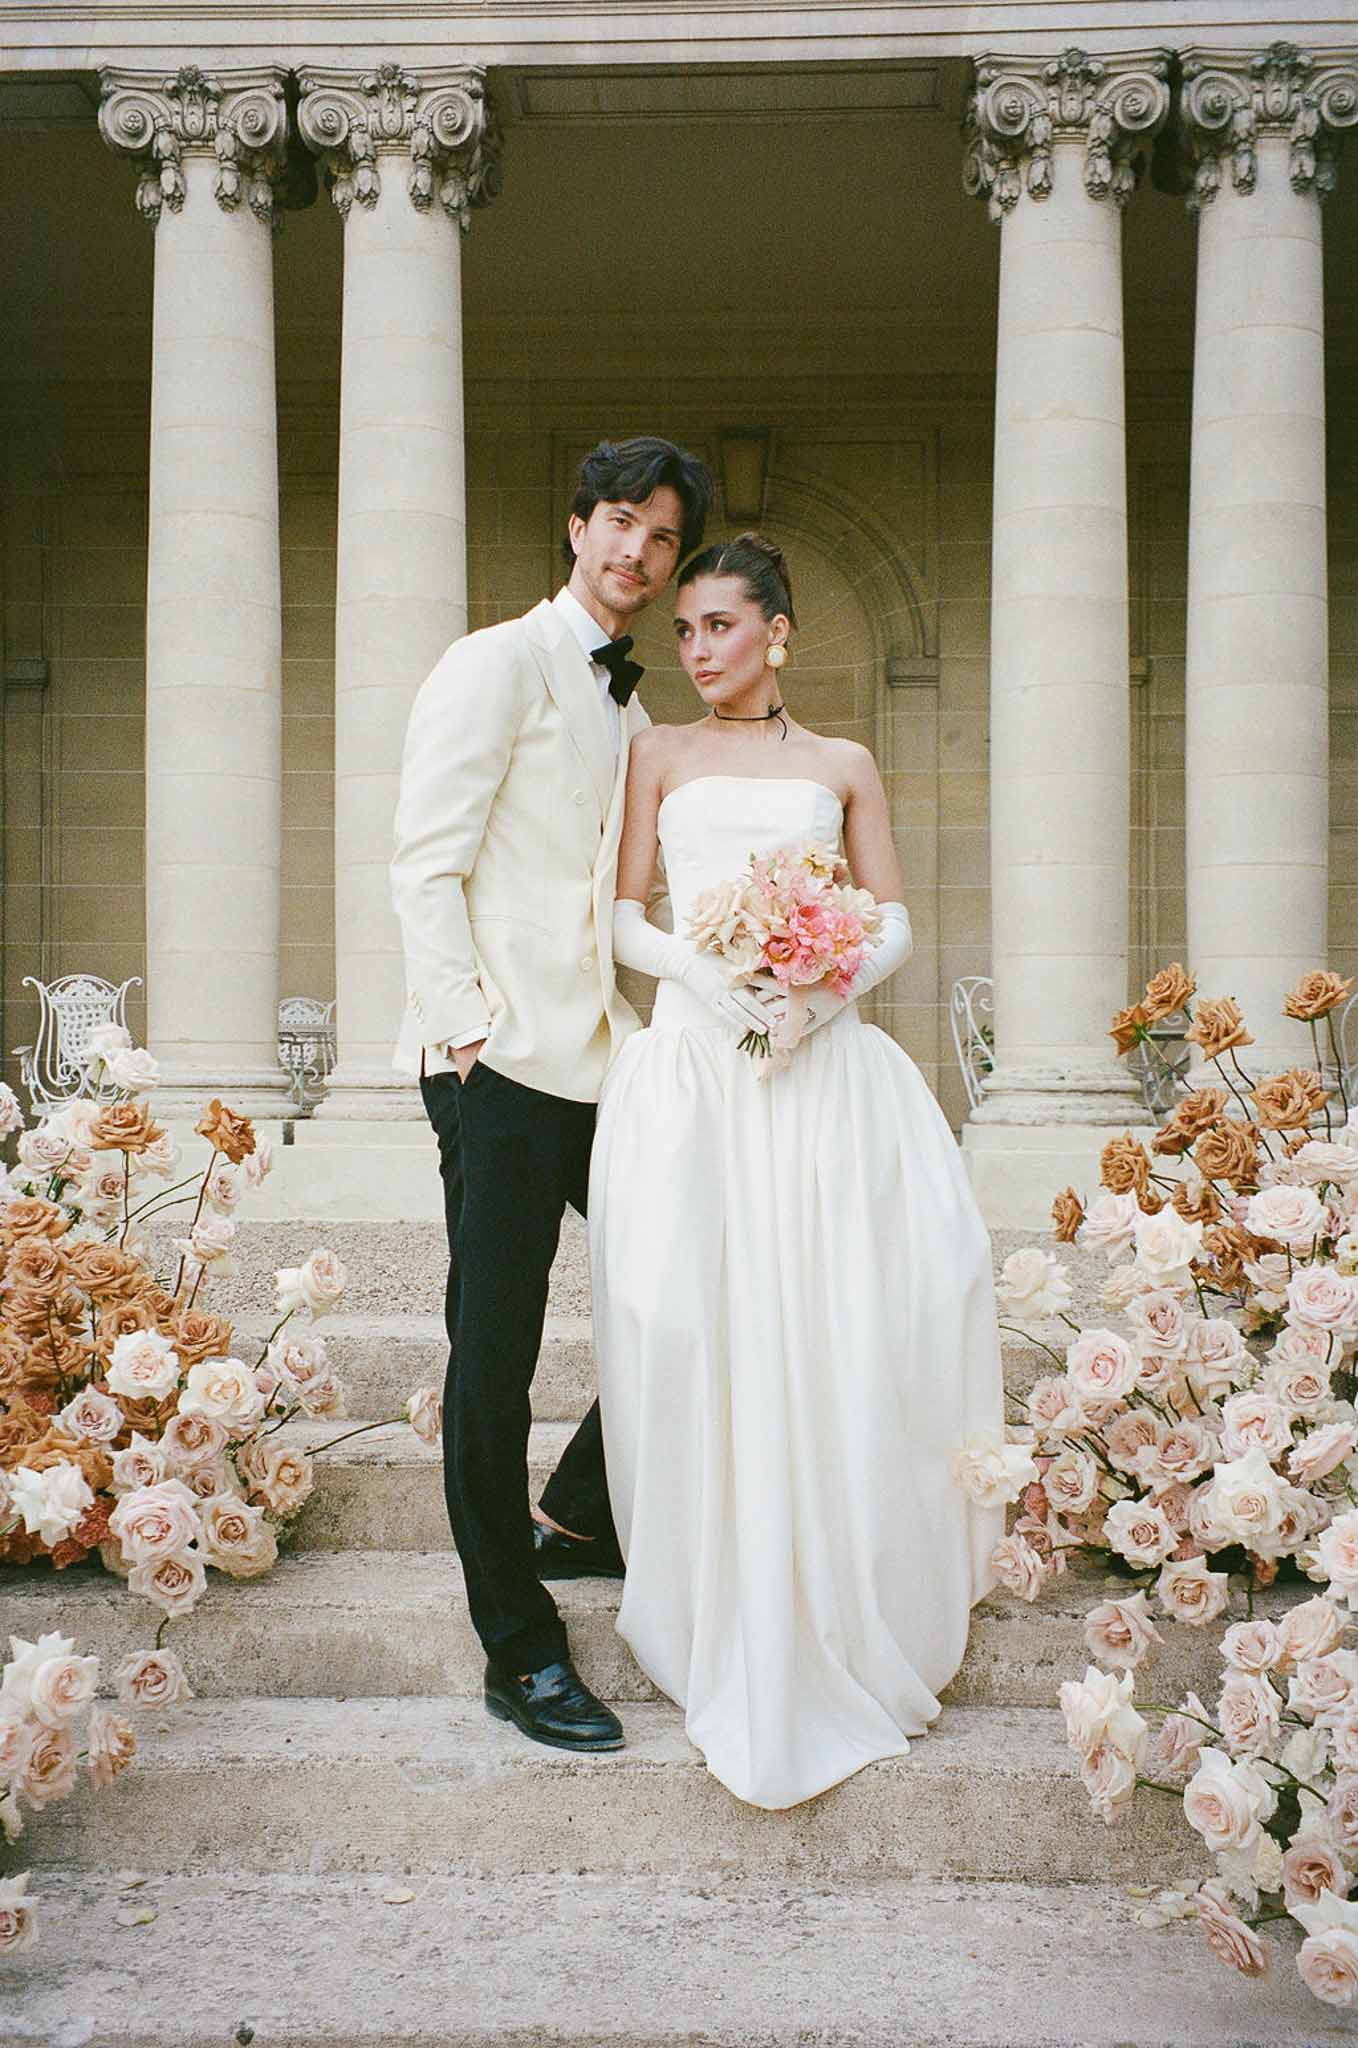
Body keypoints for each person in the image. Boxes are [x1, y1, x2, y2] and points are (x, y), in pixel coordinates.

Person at [591, 532, 1006, 1808]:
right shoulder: (650, 752)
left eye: (720, 624)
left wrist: (822, 992)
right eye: (685, 631)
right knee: (696, 1318)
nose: (697, 647)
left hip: (819, 1072)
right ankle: (719, 1598)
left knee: (845, 1320)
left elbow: (889, 916)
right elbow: (617, 914)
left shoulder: (842, 761)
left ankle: (845, 1590)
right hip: (698, 1073)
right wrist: (709, 975)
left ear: (777, 631)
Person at [390, 436, 718, 1754]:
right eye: (621, 525)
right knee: (497, 1353)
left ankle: (577, 1512)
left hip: (602, 1063)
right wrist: (463, 1035)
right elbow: (424, 861)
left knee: (697, 1276)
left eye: (661, 540)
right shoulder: (494, 662)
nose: (636, 555)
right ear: (577, 524)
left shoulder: (630, 713)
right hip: (499, 1064)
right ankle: (517, 1651)